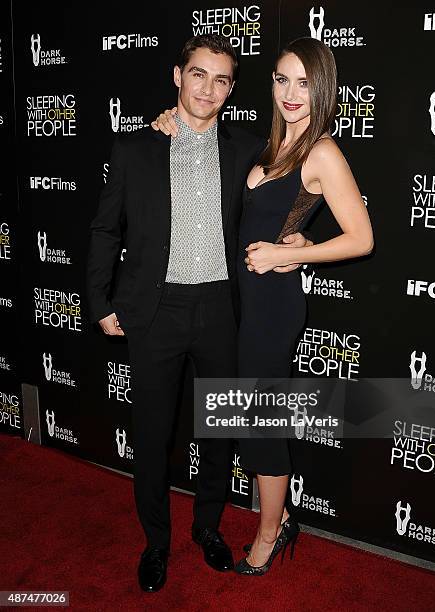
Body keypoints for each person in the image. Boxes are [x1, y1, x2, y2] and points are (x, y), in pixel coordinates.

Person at [86, 34, 310, 593]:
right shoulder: (136, 148)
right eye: (199, 75)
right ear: (178, 77)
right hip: (155, 310)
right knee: (153, 431)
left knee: (218, 430)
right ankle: (155, 542)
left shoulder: (250, 150)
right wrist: (100, 302)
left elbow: (296, 196)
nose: (209, 88)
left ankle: (207, 526)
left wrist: (299, 237)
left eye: (222, 79)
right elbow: (105, 230)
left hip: (222, 307)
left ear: (232, 88)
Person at [155, 36, 373, 576]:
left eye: (303, 82)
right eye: (281, 80)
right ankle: (275, 521)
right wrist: (169, 119)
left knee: (259, 427)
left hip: (273, 310)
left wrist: (292, 250)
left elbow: (362, 238)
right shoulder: (267, 145)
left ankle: (270, 532)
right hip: (239, 304)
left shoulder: (322, 150)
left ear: (321, 88)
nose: (291, 93)